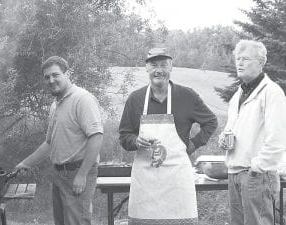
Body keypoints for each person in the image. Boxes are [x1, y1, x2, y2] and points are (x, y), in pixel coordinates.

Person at [119, 47, 218, 224]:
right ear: (147, 68)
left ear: (171, 67)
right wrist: (134, 141)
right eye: (154, 65)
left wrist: (194, 144)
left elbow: (211, 121)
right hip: (145, 183)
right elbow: (124, 135)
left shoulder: (187, 96)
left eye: (164, 65)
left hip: (177, 181)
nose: (159, 70)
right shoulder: (135, 99)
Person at [15, 56, 103, 225]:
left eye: (55, 74)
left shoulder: (82, 99)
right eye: (47, 77)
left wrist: (82, 175)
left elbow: (96, 137)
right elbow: (49, 143)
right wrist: (24, 164)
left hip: (76, 173)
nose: (51, 80)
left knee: (77, 222)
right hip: (58, 174)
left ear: (67, 73)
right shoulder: (56, 104)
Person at [218, 40, 286, 225]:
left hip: (256, 174)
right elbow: (232, 129)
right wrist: (224, 138)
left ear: (261, 61)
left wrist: (257, 168)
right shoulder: (238, 94)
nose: (239, 63)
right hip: (235, 172)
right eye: (238, 59)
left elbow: (278, 139)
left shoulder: (272, 93)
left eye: (245, 59)